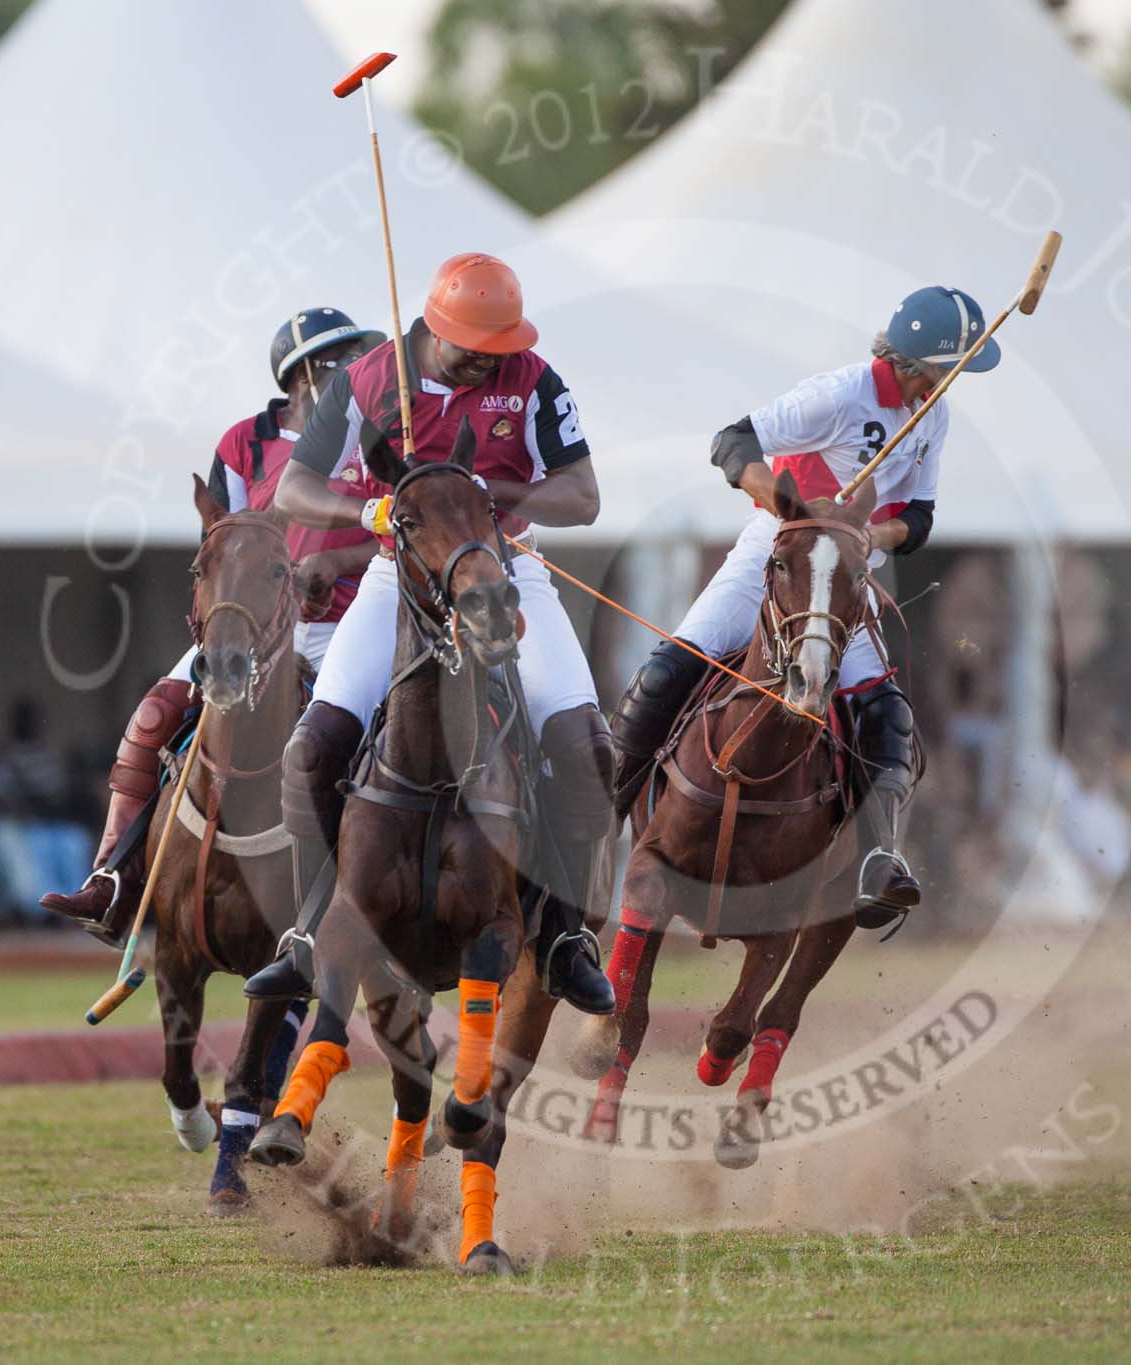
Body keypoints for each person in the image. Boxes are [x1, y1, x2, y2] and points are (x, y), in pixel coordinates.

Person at [243, 253, 617, 1014]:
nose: (491, 361)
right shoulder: (370, 380)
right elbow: (294, 486)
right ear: (438, 329)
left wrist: (493, 491)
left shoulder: (533, 379)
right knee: (313, 748)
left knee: (583, 743)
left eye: (502, 347)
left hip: (504, 568)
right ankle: (313, 927)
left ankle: (565, 933)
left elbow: (584, 496)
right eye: (477, 347)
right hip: (398, 575)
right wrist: (370, 512)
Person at [610, 285, 1000, 929]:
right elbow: (733, 442)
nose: (948, 385)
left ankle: (878, 856)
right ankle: (596, 830)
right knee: (667, 670)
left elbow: (919, 515)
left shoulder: (934, 416)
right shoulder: (838, 394)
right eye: (943, 371)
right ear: (909, 363)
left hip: (847, 578)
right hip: (777, 554)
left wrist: (873, 537)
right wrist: (790, 510)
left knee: (886, 712)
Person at [40, 307, 384, 942]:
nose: (360, 371)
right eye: (345, 359)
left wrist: (333, 561)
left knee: (364, 737)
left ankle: (360, 895)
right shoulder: (242, 443)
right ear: (303, 373)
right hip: (253, 629)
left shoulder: (378, 438)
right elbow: (221, 541)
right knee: (156, 712)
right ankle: (112, 877)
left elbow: (401, 531)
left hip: (350, 618)